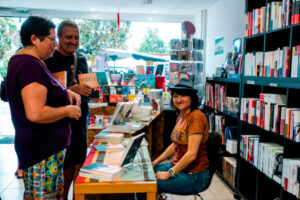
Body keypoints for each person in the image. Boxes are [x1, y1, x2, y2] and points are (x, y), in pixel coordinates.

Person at [5, 16, 81, 199]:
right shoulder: (29, 65)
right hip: (42, 152)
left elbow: (42, 93)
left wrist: (65, 93)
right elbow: (35, 112)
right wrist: (67, 110)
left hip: (44, 150)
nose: (55, 44)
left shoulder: (30, 62)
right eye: (52, 39)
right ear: (34, 39)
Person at [45, 20, 92, 199]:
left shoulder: (80, 59)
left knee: (78, 162)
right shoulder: (49, 60)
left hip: (80, 120)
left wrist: (90, 90)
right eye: (69, 37)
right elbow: (45, 95)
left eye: (77, 37)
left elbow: (87, 89)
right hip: (59, 122)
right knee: (64, 165)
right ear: (58, 37)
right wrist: (72, 90)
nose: (73, 41)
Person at [152, 78, 210, 198]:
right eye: (175, 96)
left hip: (195, 176)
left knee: (149, 183)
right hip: (181, 168)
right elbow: (175, 145)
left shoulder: (196, 118)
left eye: (183, 96)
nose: (178, 100)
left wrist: (169, 173)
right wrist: (156, 161)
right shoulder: (182, 115)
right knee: (146, 172)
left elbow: (191, 154)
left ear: (192, 98)